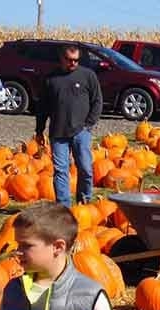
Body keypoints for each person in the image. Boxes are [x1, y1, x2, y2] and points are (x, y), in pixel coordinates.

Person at [35, 44, 103, 208]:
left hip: (81, 131)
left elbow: (97, 101)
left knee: (86, 169)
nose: (73, 63)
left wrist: (89, 124)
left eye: (76, 60)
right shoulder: (51, 79)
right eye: (70, 60)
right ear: (62, 58)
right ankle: (63, 207)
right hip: (58, 133)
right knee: (60, 171)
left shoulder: (88, 76)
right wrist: (39, 129)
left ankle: (84, 201)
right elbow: (42, 107)